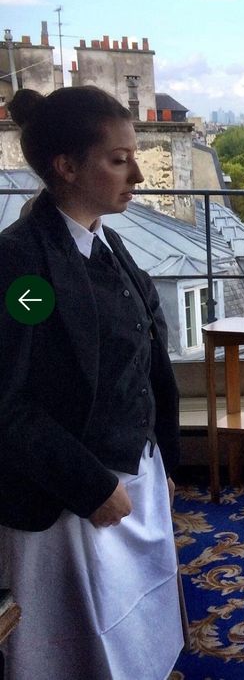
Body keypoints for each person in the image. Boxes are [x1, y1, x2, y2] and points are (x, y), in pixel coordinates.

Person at [0, 86, 183, 679]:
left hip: (133, 471)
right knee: (77, 648)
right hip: (69, 504)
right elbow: (7, 402)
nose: (137, 174)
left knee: (138, 628)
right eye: (118, 159)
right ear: (67, 166)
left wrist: (163, 461)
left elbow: (146, 359)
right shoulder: (23, 266)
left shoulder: (108, 240)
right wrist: (90, 485)